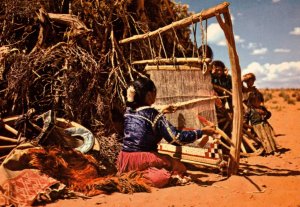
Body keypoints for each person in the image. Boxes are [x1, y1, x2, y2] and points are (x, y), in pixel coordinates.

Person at [117, 77, 216, 188]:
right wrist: (202, 132)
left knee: (164, 167)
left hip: (125, 159)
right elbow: (176, 138)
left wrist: (163, 110)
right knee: (180, 168)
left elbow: (144, 115)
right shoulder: (154, 115)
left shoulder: (128, 111)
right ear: (149, 95)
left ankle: (131, 175)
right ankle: (142, 177)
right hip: (144, 159)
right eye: (154, 92)